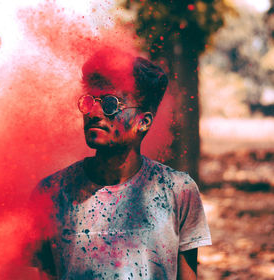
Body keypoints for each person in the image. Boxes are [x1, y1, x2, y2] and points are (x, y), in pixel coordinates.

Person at [31, 47, 212, 280]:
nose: (94, 112)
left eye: (110, 104)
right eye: (90, 101)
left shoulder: (178, 191)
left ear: (143, 122)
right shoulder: (51, 194)